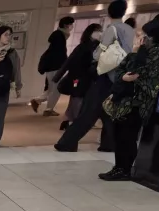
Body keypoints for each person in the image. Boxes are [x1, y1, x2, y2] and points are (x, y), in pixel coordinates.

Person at [56, 0, 132, 152]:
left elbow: (98, 55)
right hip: (120, 76)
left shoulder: (111, 29)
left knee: (88, 111)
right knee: (109, 113)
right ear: (123, 12)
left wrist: (97, 45)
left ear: (110, 12)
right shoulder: (129, 30)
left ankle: (67, 143)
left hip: (104, 76)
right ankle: (109, 144)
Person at [101, 16, 159, 180]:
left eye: (142, 35)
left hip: (138, 103)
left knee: (127, 137)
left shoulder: (158, 55)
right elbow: (123, 71)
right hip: (125, 99)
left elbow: (139, 74)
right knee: (119, 135)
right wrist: (125, 77)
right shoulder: (140, 52)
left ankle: (124, 169)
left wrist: (134, 60)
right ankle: (118, 167)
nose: (138, 37)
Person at [53, 24, 102, 131]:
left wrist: (58, 76)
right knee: (78, 99)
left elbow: (69, 61)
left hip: (79, 77)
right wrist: (57, 76)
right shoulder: (91, 47)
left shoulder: (85, 46)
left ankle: (67, 120)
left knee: (75, 99)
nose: (100, 33)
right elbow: (70, 61)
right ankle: (75, 123)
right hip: (83, 78)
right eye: (98, 30)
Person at [32, 17, 75, 116]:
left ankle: (37, 101)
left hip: (51, 67)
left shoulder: (58, 35)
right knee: (56, 89)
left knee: (51, 89)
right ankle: (48, 109)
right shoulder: (59, 36)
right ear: (65, 25)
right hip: (55, 67)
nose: (71, 27)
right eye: (71, 24)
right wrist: (66, 64)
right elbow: (60, 54)